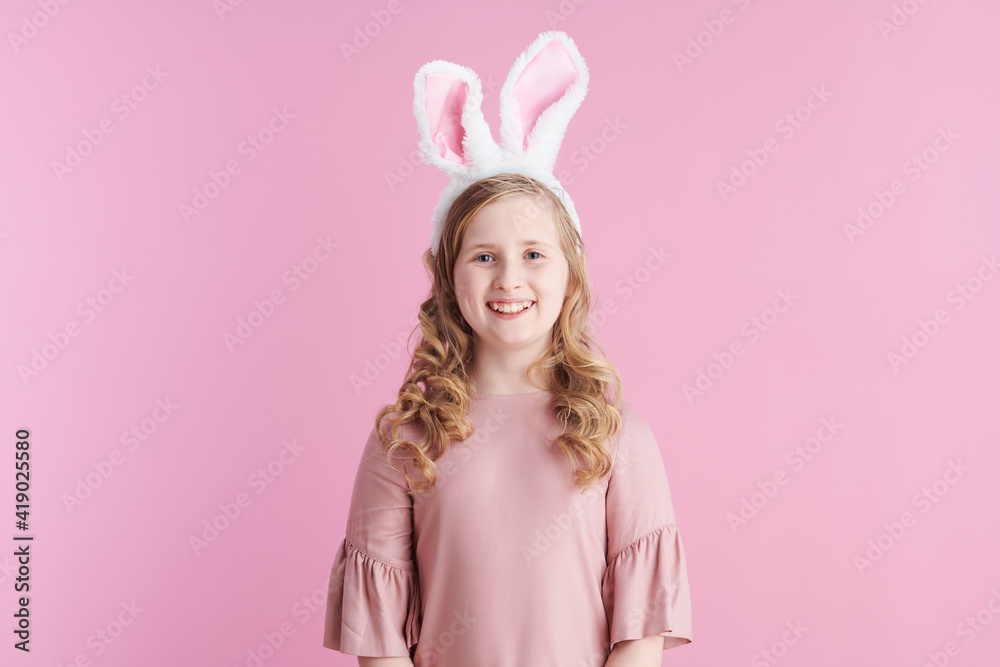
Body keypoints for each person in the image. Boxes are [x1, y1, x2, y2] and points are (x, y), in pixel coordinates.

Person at [323, 31, 693, 667]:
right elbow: (379, 642)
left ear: (569, 274)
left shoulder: (617, 435)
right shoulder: (405, 439)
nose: (510, 280)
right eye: (484, 256)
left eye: (533, 256)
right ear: (449, 275)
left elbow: (639, 637)